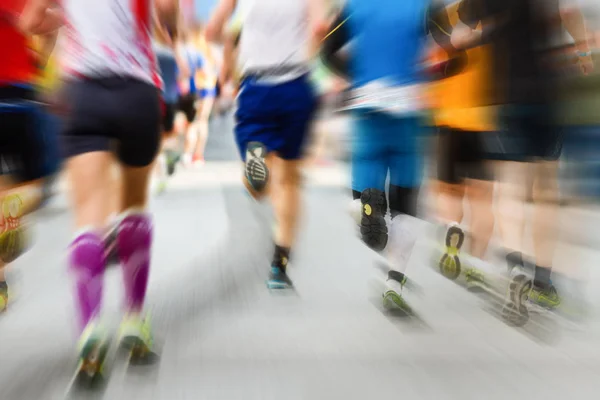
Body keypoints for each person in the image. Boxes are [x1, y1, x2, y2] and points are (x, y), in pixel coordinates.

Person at [58, 0, 179, 380]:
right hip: (137, 92)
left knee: (89, 215)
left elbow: (31, 20)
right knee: (133, 205)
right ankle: (133, 319)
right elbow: (167, 11)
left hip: (84, 92)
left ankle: (90, 329)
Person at [451, 0, 593, 314]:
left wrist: (486, 36)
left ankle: (516, 266)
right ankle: (544, 281)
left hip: (506, 94)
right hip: (548, 93)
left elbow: (458, 38)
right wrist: (583, 53)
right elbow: (569, 12)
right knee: (545, 190)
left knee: (511, 187)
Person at [321, 0, 465, 308]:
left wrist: (357, 72)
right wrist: (435, 72)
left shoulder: (354, 7)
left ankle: (362, 207)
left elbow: (327, 50)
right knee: (406, 204)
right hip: (409, 109)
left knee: (363, 185)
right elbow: (454, 51)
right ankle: (393, 282)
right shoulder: (425, 8)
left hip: (367, 105)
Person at [207, 0, 326, 289]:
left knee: (259, 179)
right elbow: (320, 27)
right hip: (296, 85)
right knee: (290, 180)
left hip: (256, 84)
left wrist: (229, 50)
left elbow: (211, 30)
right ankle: (279, 265)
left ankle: (256, 169)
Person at [427, 1, 495, 288]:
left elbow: (434, 64)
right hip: (487, 118)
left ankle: (453, 230)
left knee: (449, 191)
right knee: (482, 198)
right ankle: (477, 263)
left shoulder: (444, 16)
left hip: (450, 118)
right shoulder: (495, 14)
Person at [0, 0, 62, 311]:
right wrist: (39, 61)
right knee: (39, 184)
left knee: (3, 184)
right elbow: (51, 24)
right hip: (18, 96)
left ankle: (0, 282)